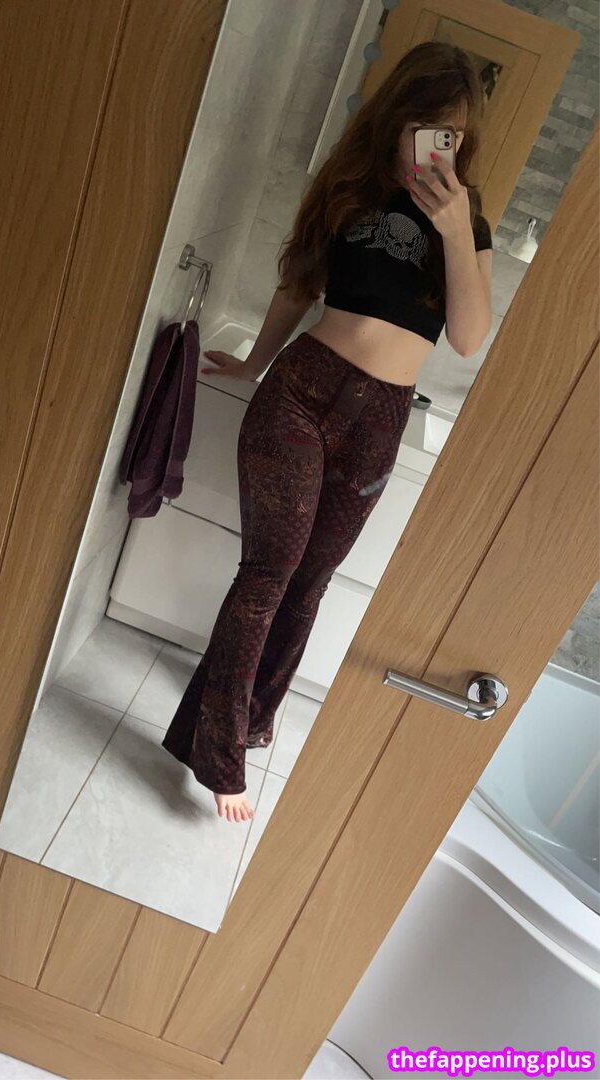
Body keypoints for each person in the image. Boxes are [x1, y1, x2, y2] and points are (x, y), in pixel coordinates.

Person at [161, 40, 493, 823]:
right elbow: (298, 283)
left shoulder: (467, 220)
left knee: (308, 586)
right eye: (423, 123)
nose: (434, 142)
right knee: (268, 573)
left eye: (449, 130)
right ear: (397, 116)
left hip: (380, 420)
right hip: (302, 393)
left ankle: (243, 722)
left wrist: (454, 231)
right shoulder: (349, 187)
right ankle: (221, 762)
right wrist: (254, 363)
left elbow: (469, 338)